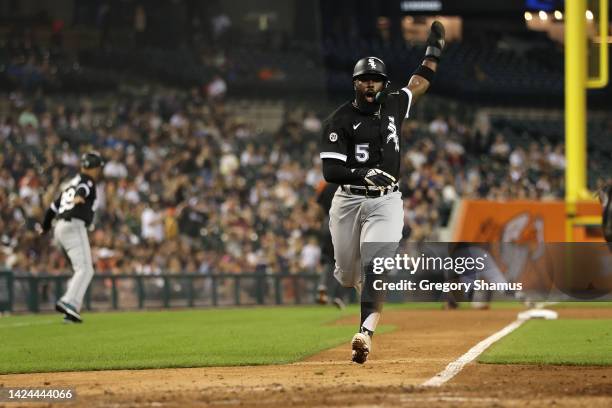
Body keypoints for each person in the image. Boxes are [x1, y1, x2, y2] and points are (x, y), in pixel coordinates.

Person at [319, 21, 445, 364]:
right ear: (355, 83)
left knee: (376, 263)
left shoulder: (393, 103)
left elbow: (419, 84)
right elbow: (330, 171)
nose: (370, 83)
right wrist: (363, 172)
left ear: (384, 83)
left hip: (387, 200)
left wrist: (433, 51)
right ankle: (356, 288)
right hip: (348, 199)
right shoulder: (339, 120)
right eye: (364, 79)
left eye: (376, 79)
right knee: (347, 274)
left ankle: (365, 333)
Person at [38, 152, 105, 323]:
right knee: (85, 269)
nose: (98, 171)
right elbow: (84, 187)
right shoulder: (86, 181)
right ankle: (69, 302)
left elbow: (52, 209)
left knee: (80, 269)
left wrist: (45, 227)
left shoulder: (69, 185)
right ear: (95, 168)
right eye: (98, 168)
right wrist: (80, 196)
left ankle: (70, 311)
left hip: (59, 228)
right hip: (73, 226)